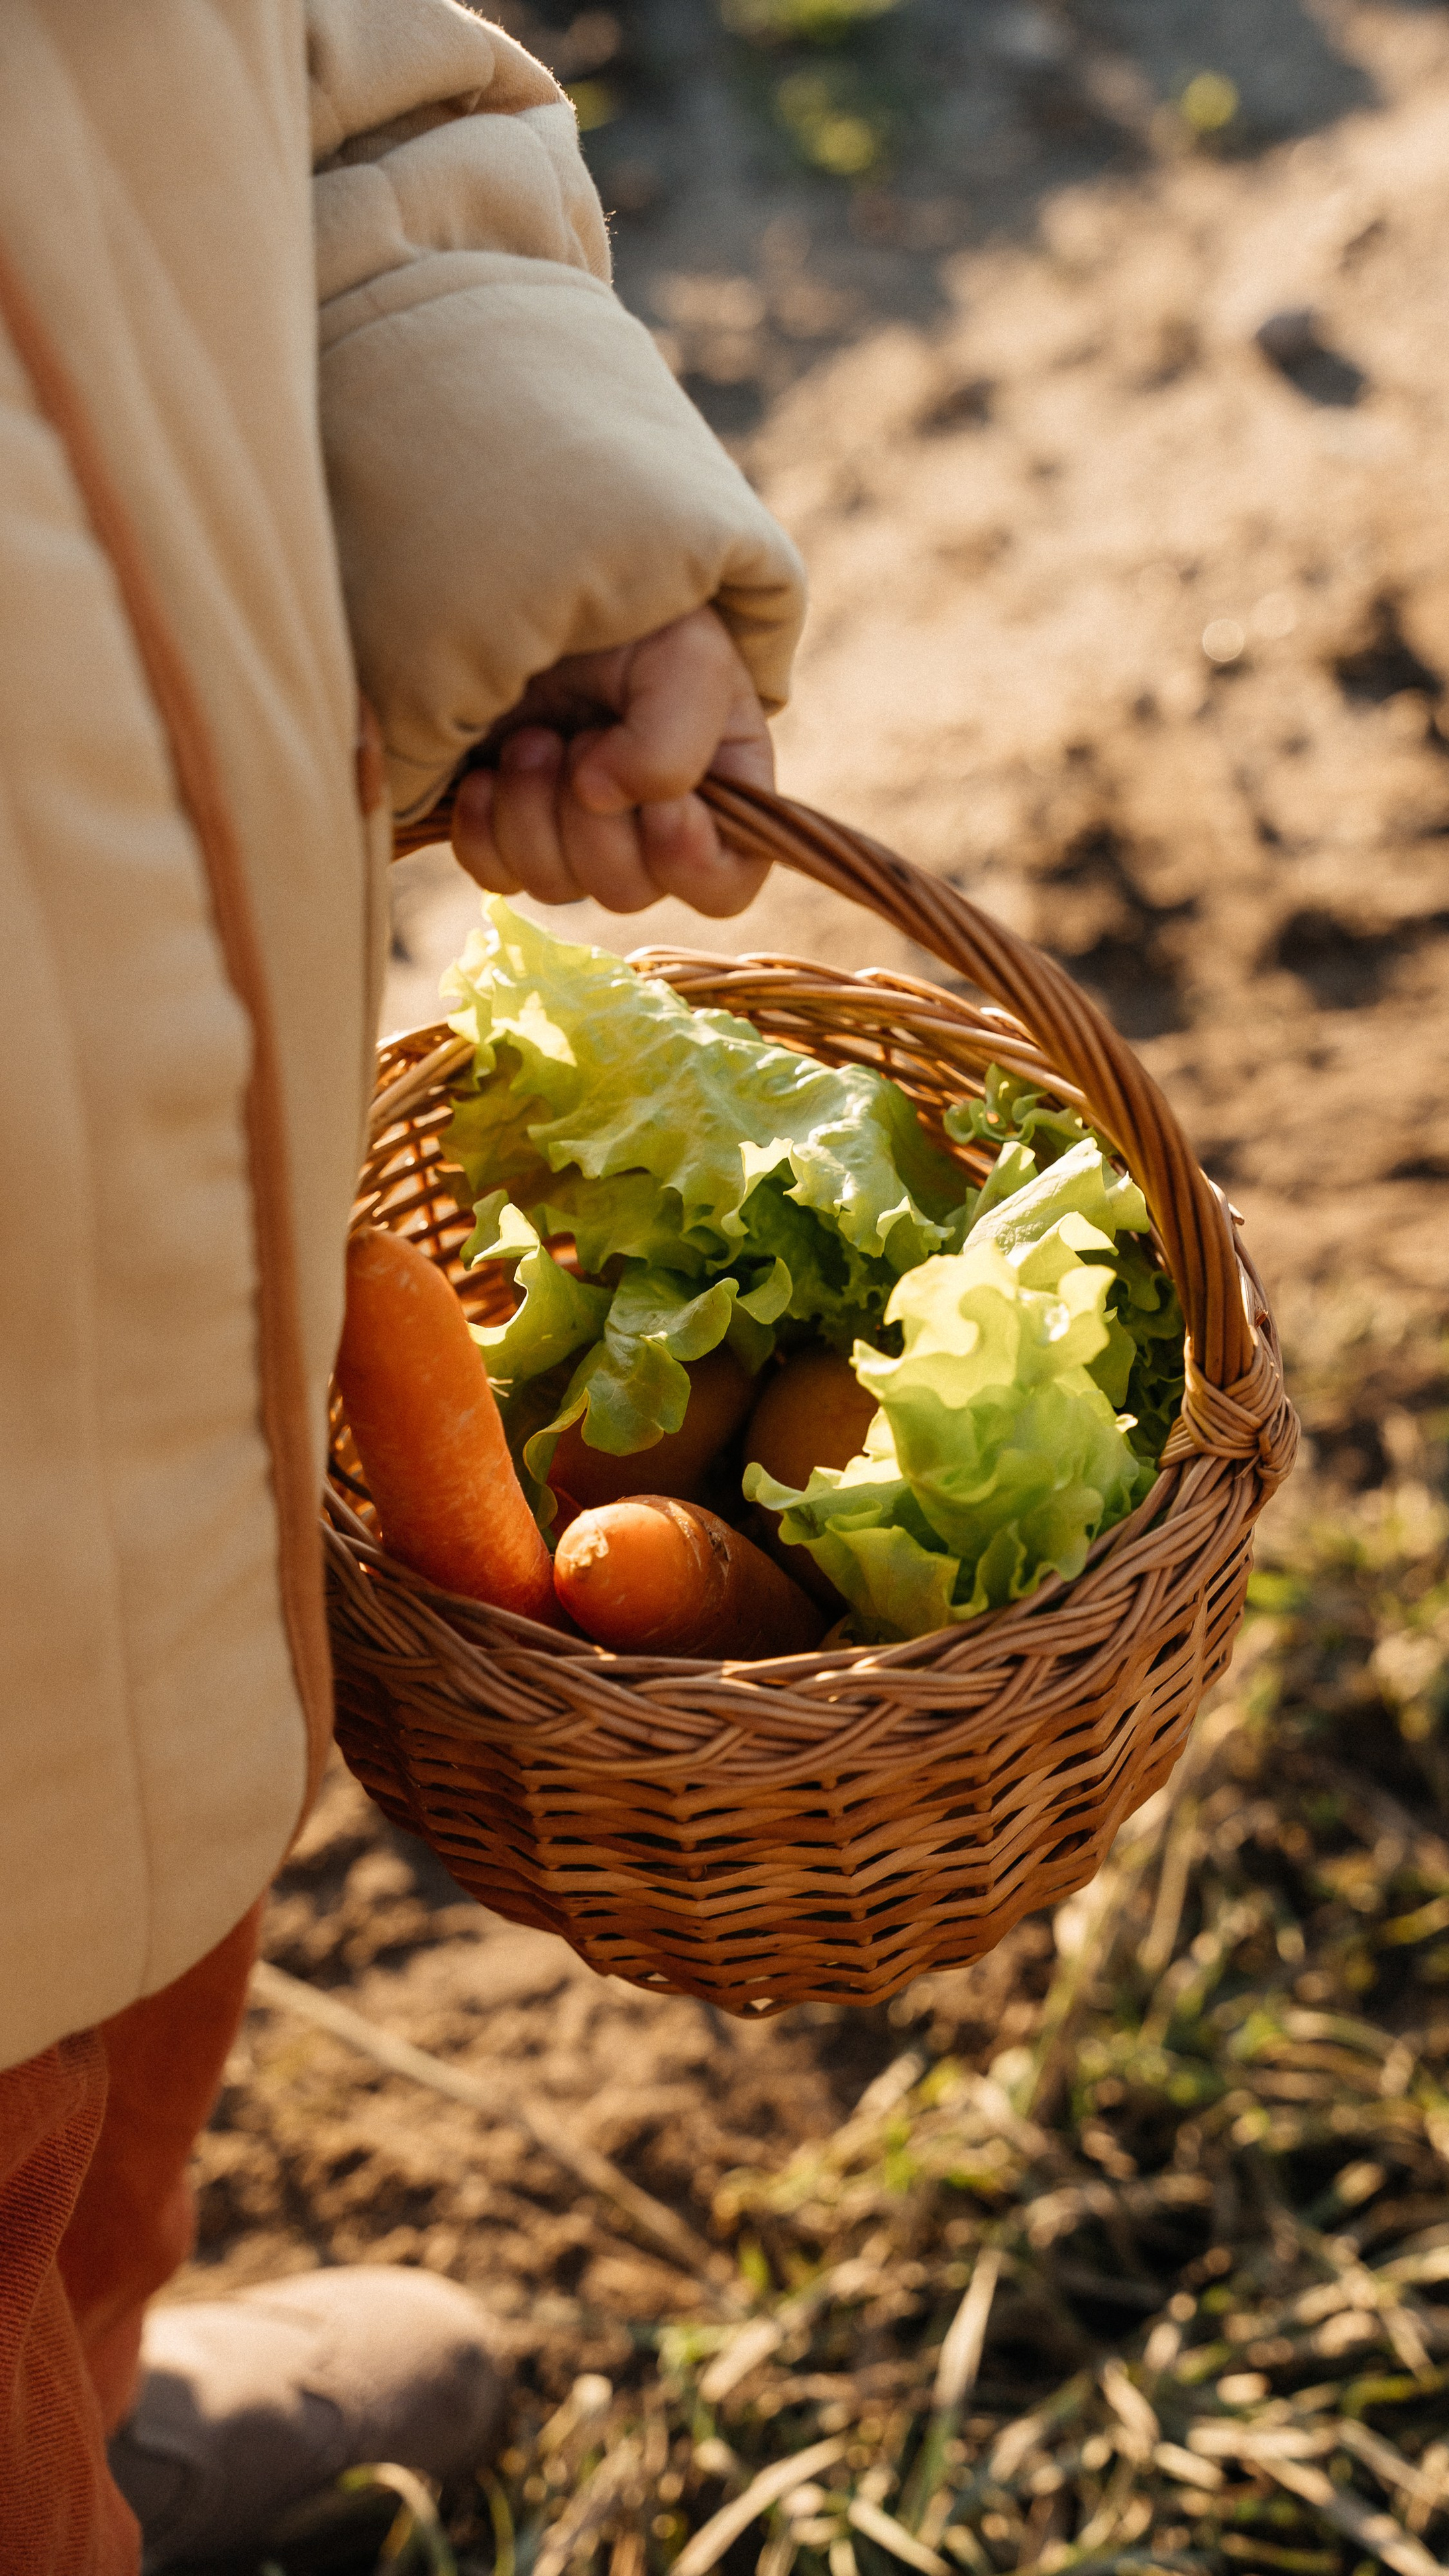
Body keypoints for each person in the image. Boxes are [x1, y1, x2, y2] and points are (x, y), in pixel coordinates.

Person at [0, 3, 806, 2567]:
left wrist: (493, 493)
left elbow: (258, 65)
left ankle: (77, 2378)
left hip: (156, 1155)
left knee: (131, 1940)